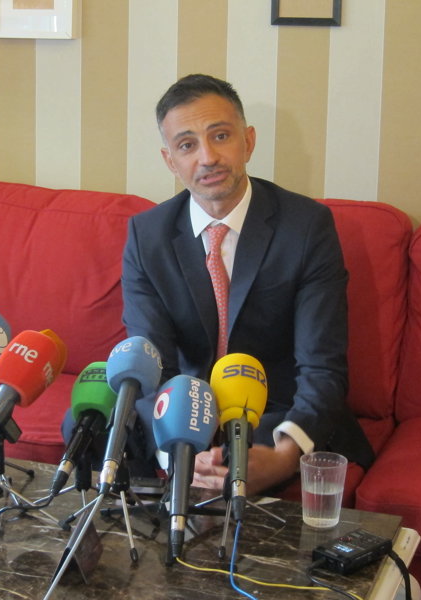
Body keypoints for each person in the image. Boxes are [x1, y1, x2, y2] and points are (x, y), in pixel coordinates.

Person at [122, 74, 375, 496]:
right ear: (170, 160)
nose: (208, 157)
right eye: (187, 145)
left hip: (273, 413)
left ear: (248, 141)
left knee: (253, 450)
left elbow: (322, 366)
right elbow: (151, 364)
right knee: (88, 425)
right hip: (184, 410)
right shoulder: (147, 236)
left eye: (220, 136)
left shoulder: (306, 227)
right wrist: (176, 451)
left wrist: (285, 455)